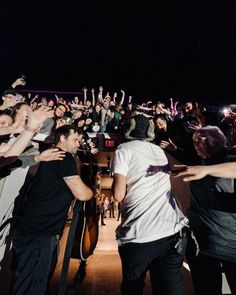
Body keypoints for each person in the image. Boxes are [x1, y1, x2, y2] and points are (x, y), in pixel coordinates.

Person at [11, 125, 93, 295]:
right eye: (75, 140)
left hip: (31, 229)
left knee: (27, 281)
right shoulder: (63, 157)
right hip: (39, 233)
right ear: (62, 138)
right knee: (31, 286)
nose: (78, 144)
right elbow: (82, 193)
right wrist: (91, 191)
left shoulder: (49, 155)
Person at [112, 116, 188, 295]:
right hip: (172, 231)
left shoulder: (124, 149)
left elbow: (118, 195)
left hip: (140, 235)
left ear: (128, 130)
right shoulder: (159, 151)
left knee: (133, 288)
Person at [174, 126, 236, 295]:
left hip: (230, 246)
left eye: (199, 141)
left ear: (214, 140)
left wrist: (206, 170)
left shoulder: (230, 159)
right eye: (194, 142)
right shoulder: (200, 164)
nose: (196, 145)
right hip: (202, 247)